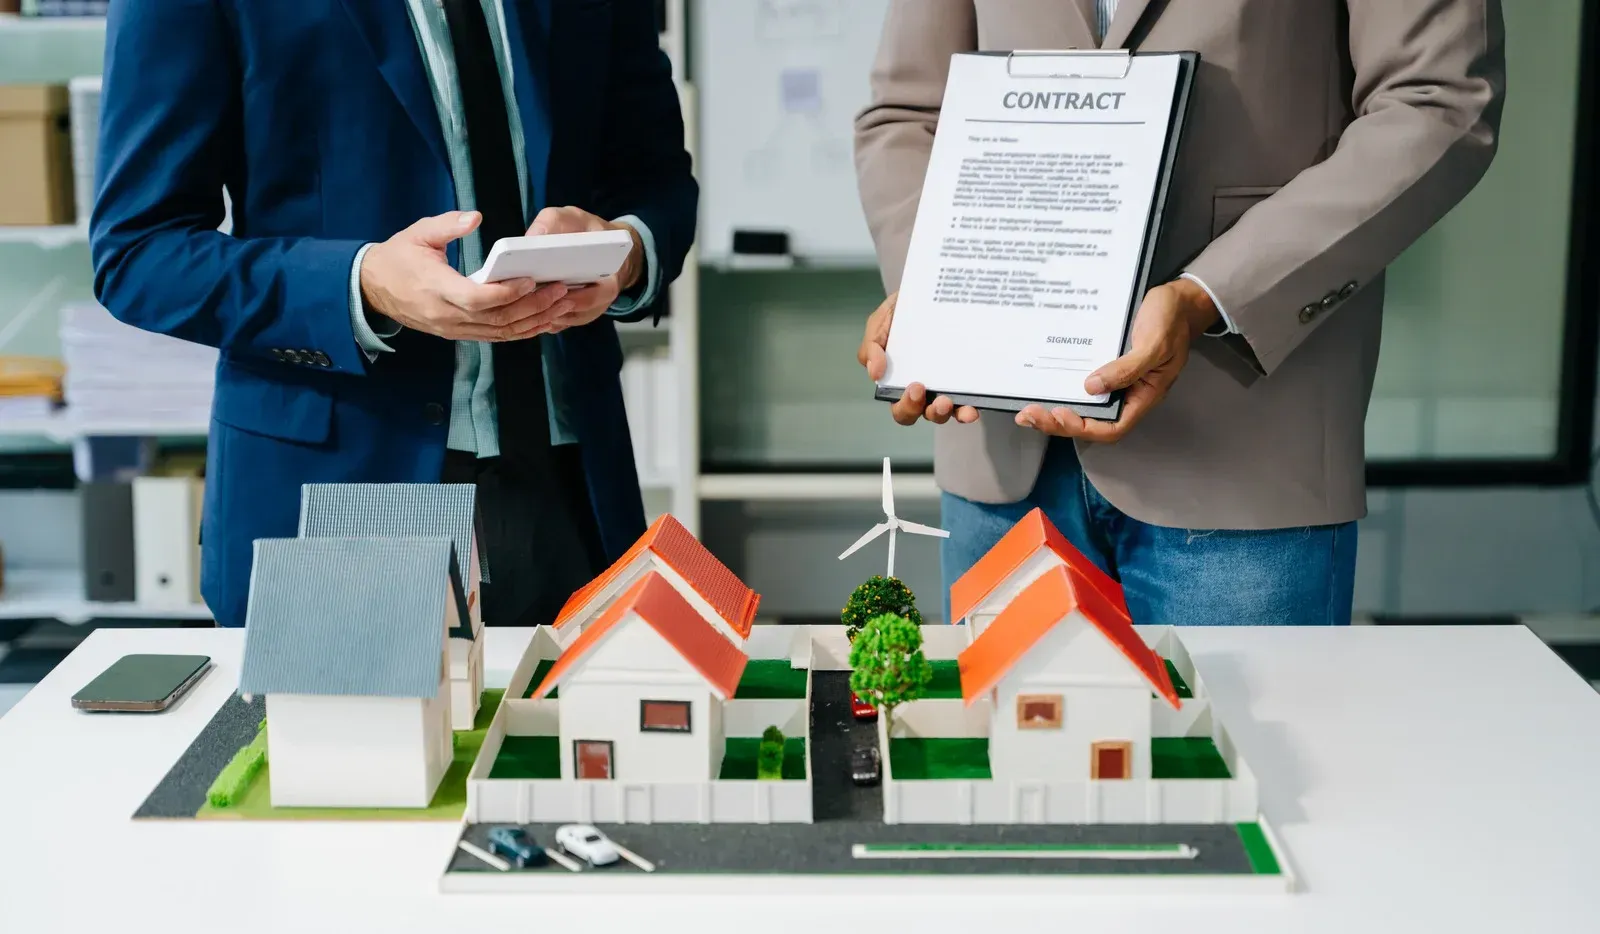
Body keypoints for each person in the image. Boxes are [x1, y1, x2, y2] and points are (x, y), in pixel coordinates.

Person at [854, 0, 1504, 625]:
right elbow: (907, 113)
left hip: (1243, 447)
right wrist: (940, 293)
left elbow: (1438, 100)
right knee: (1007, 740)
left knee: (1251, 741)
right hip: (1000, 462)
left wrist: (1210, 293)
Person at [90, 0, 697, 629]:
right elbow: (137, 252)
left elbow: (654, 179)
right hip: (335, 489)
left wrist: (625, 252)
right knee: (344, 730)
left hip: (571, 483)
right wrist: (363, 284)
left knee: (590, 724)